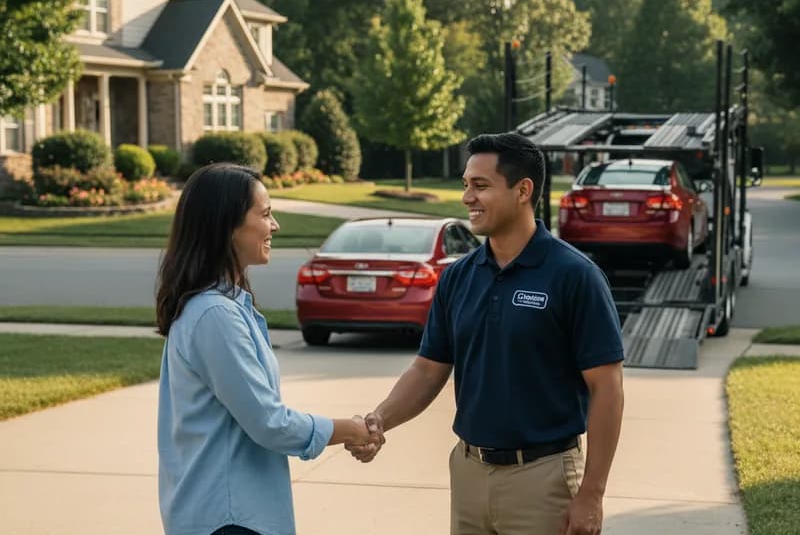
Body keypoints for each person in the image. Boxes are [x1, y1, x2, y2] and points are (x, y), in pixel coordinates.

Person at [348, 133, 625, 535]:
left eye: (480, 186)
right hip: (469, 473)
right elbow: (428, 370)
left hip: (542, 479)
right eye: (465, 185)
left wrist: (592, 494)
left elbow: (607, 387)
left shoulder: (575, 276)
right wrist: (378, 421)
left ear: (523, 190)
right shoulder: (459, 277)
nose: (467, 197)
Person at [156, 163, 378, 535]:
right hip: (229, 518)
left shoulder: (220, 308)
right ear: (227, 225)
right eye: (266, 214)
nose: (274, 226)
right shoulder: (215, 315)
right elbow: (269, 423)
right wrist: (351, 430)